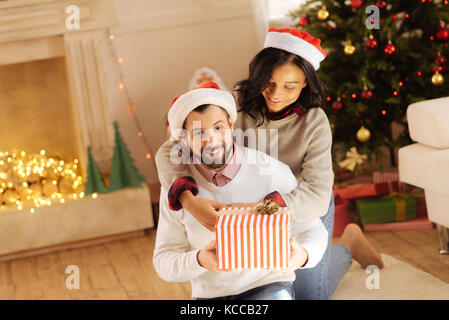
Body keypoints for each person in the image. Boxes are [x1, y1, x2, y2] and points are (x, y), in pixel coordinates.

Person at [156, 27, 384, 300]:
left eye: (290, 86)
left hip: (301, 203)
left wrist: (257, 208)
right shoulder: (233, 109)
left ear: (305, 85)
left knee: (309, 294)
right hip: (248, 206)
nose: (276, 94)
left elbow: (317, 195)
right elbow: (170, 150)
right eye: (269, 82)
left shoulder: (315, 122)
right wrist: (189, 201)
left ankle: (348, 244)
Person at [153, 82, 328, 300]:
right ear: (183, 139)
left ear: (230, 124)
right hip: (210, 296)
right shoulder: (176, 191)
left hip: (268, 286)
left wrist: (303, 255)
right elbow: (163, 260)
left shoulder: (272, 172)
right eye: (199, 133)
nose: (212, 140)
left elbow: (313, 229)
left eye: (218, 128)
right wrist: (199, 260)